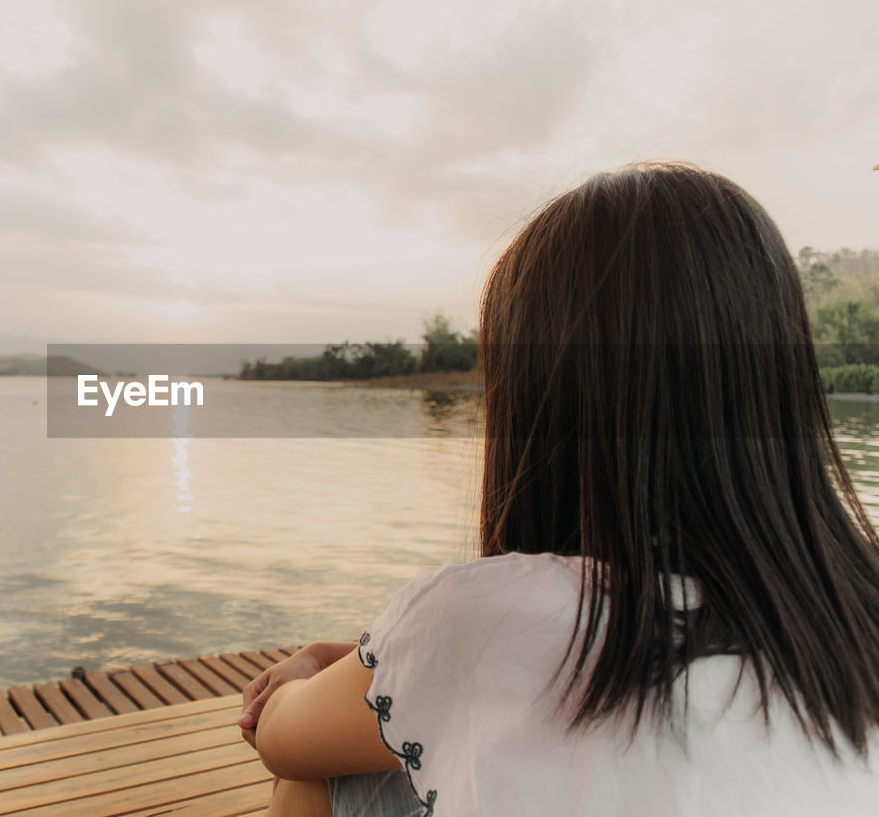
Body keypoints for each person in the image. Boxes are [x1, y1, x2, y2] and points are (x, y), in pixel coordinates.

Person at [236, 162, 879, 816]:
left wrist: (305, 672)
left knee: (323, 779)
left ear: (541, 404)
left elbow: (284, 740)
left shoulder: (489, 612)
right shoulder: (850, 603)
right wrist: (338, 653)